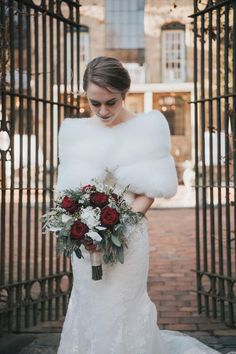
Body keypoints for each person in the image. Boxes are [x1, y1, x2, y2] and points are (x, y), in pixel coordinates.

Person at [56, 56, 219, 354]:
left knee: (124, 305)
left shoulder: (148, 128)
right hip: (85, 244)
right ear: (86, 97)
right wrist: (84, 232)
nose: (103, 110)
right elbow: (68, 196)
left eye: (111, 102)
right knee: (88, 302)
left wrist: (113, 228)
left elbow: (149, 192)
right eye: (95, 103)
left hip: (127, 238)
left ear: (125, 94)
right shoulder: (73, 133)